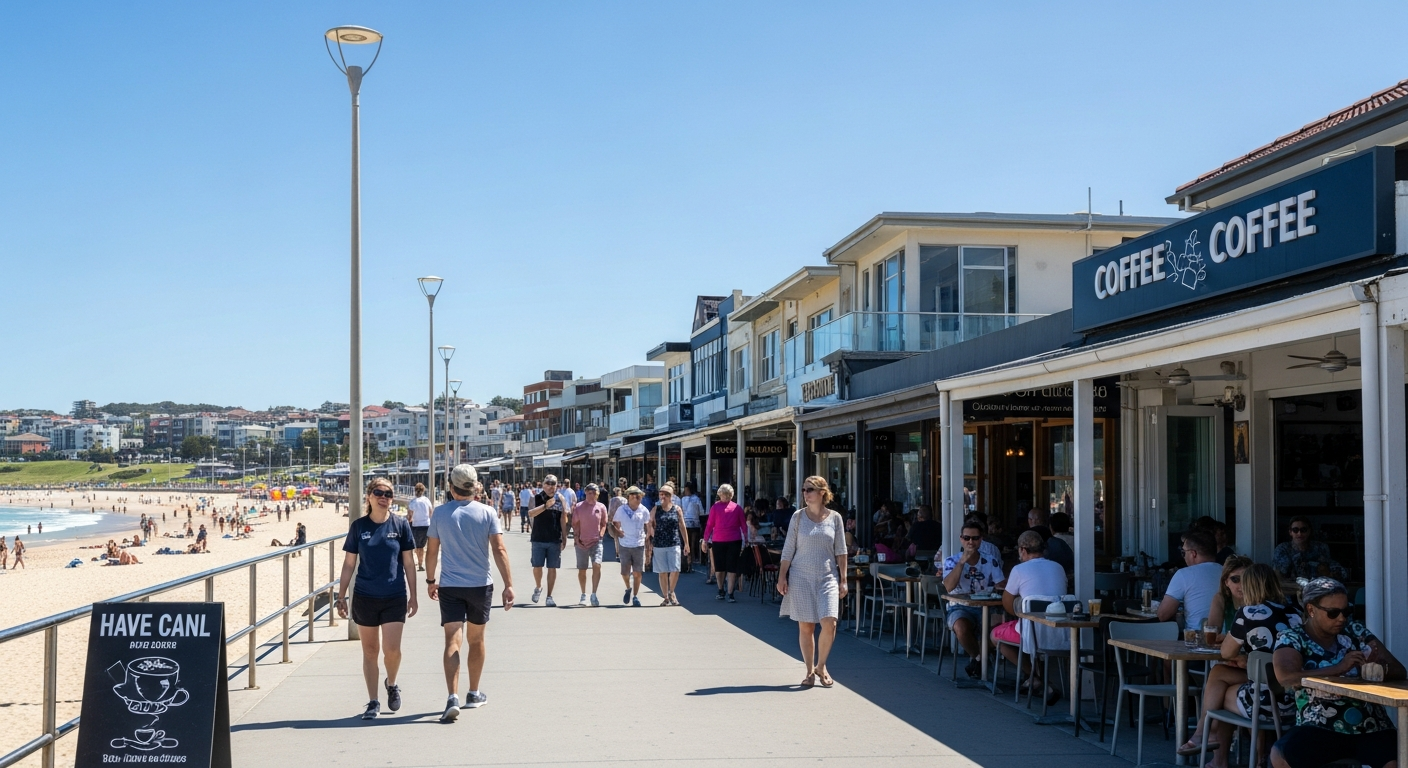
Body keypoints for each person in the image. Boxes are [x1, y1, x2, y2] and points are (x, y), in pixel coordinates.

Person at [1271, 578, 1405, 768]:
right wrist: (1338, 668)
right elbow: (1286, 677)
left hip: (1370, 725)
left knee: (1398, 757)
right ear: (1311, 610)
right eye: (1333, 613)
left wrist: (1377, 669)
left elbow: (1400, 670)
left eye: (1346, 611)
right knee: (1284, 754)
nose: (1341, 618)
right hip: (1319, 725)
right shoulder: (1293, 638)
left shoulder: (1356, 632)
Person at [425, 465, 514, 722]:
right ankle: (473, 693)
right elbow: (499, 550)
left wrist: (431, 580)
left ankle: (452, 696)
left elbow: (432, 552)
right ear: (475, 487)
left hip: (450, 586)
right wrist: (508, 584)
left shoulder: (440, 514)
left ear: (451, 487)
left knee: (452, 641)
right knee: (477, 640)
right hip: (479, 586)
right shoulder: (487, 512)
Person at [1197, 564, 1304, 767]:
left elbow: (1226, 652)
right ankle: (1257, 756)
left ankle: (1207, 738)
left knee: (1220, 685)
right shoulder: (1296, 612)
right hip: (1298, 702)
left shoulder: (1248, 613)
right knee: (1223, 675)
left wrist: (1242, 655)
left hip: (1265, 704)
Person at [334, 477, 419, 720]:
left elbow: (409, 563)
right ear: (369, 496)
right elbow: (349, 563)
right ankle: (373, 701)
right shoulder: (359, 527)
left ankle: (392, 683)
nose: (384, 497)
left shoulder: (400, 525)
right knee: (370, 651)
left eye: (389, 494)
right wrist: (341, 596)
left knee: (392, 651)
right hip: (365, 595)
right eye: (379, 492)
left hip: (394, 595)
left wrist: (414, 596)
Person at [776, 476, 848, 688]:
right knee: (806, 626)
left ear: (822, 493)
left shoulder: (835, 518)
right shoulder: (798, 517)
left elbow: (841, 551)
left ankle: (822, 665)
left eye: (809, 490)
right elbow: (788, 549)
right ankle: (809, 671)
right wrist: (782, 576)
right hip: (801, 576)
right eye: (803, 490)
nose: (805, 494)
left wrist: (843, 580)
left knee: (830, 622)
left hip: (827, 576)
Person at [991, 530, 1067, 704]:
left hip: (1032, 632)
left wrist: (1020, 607)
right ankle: (1034, 679)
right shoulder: (1058, 567)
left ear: (1022, 550)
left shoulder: (1019, 569)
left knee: (995, 636)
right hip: (1060, 631)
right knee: (1029, 635)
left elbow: (1007, 604)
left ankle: (1038, 679)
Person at [940, 519, 1007, 679]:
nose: (971, 542)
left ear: (981, 539)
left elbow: (1001, 585)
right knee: (961, 627)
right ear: (961, 539)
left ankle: (978, 661)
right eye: (967, 538)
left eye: (975, 538)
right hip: (959, 606)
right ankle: (980, 658)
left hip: (988, 607)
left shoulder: (990, 560)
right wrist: (962, 562)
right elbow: (948, 587)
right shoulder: (951, 561)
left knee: (1000, 629)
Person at [1157, 529, 1223, 631]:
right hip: (1227, 639)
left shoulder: (1184, 574)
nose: (1183, 557)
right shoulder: (1227, 572)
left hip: (1196, 640)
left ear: (1193, 554)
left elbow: (1163, 615)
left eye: (1184, 552)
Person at [527, 475, 568, 607]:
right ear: (543, 485)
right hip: (538, 538)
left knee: (552, 568)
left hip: (554, 538)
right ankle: (538, 587)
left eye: (553, 484)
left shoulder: (560, 498)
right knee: (537, 566)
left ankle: (549, 596)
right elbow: (531, 513)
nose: (551, 486)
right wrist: (545, 506)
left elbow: (563, 518)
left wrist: (565, 536)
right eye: (548, 483)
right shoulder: (536, 497)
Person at [703, 484, 747, 602]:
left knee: (732, 567)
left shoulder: (737, 508)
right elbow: (710, 524)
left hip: (734, 540)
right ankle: (721, 589)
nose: (724, 497)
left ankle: (730, 592)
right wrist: (705, 539)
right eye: (722, 494)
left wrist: (746, 538)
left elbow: (743, 524)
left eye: (726, 495)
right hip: (718, 540)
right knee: (720, 567)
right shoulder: (715, 507)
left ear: (730, 495)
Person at [1271, 517, 1348, 581]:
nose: (1299, 533)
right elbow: (1278, 577)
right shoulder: (1283, 549)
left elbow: (1333, 570)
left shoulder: (1320, 548)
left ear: (1309, 531)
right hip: (1291, 592)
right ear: (1290, 532)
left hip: (1317, 591)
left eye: (1303, 530)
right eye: (1295, 530)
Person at [648, 484, 689, 606]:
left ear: (671, 496)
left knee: (675, 569)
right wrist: (651, 536)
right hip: (659, 543)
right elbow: (649, 524)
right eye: (661, 493)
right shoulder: (656, 509)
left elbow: (682, 526)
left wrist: (686, 543)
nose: (663, 496)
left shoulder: (677, 509)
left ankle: (671, 592)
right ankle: (666, 597)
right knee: (663, 571)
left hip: (674, 542)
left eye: (666, 494)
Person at [570, 483, 609, 607]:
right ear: (585, 493)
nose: (591, 494)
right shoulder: (579, 507)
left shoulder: (601, 507)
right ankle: (583, 594)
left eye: (594, 492)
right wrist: (576, 537)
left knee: (597, 564)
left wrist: (601, 535)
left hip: (596, 541)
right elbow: (575, 524)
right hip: (581, 542)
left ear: (597, 494)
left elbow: (604, 523)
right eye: (589, 492)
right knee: (582, 570)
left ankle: (594, 594)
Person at [612, 486, 650, 606]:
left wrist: (648, 545)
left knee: (638, 572)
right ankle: (628, 588)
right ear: (628, 497)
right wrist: (618, 532)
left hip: (639, 544)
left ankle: (635, 596)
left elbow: (648, 527)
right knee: (625, 572)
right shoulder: (621, 510)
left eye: (638, 495)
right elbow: (614, 523)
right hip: (625, 544)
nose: (637, 497)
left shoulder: (643, 510)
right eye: (634, 495)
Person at [407, 483, 433, 572]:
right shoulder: (427, 500)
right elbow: (430, 513)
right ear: (423, 491)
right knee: (423, 546)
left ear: (415, 491)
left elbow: (410, 516)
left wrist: (408, 521)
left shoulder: (413, 502)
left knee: (417, 546)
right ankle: (421, 563)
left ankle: (420, 563)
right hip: (427, 525)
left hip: (416, 526)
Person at [679, 483, 703, 573]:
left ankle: (686, 561)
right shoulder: (696, 499)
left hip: (685, 523)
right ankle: (691, 562)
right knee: (693, 544)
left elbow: (681, 510)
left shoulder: (683, 499)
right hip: (695, 523)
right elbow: (701, 511)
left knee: (686, 543)